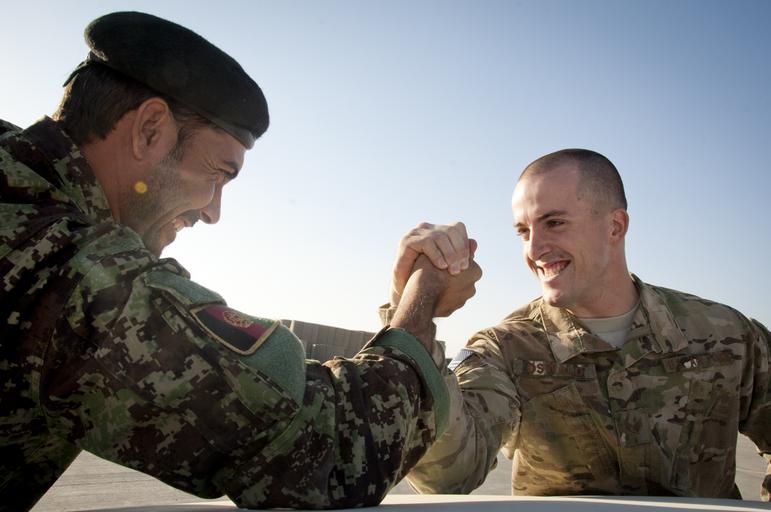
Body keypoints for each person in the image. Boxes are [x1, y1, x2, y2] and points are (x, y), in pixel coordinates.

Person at [0, 11, 483, 511]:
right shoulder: (61, 267)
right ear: (149, 129)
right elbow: (329, 448)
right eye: (217, 173)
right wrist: (421, 295)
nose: (213, 212)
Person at [387, 149, 770, 500]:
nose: (534, 249)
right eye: (524, 231)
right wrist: (411, 305)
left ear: (615, 226)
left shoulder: (726, 333)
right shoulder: (506, 348)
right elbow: (449, 475)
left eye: (554, 223)